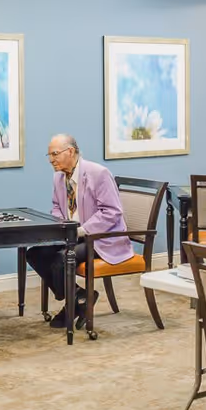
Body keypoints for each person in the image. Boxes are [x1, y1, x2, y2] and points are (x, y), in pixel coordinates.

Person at [26, 134, 130, 328]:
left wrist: (81, 231)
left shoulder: (98, 173)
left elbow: (112, 212)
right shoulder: (58, 177)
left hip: (100, 237)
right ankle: (79, 296)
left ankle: (72, 304)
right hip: (73, 235)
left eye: (55, 154)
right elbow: (57, 206)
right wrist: (61, 225)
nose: (51, 160)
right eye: (48, 155)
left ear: (71, 151)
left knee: (60, 260)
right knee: (34, 254)